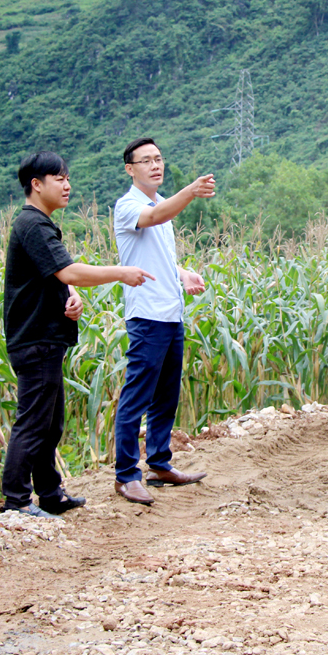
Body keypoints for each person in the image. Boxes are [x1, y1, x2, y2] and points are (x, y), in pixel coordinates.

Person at [1, 151, 154, 518]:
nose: (67, 186)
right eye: (59, 179)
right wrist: (120, 272)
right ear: (36, 185)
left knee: (49, 423)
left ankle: (50, 494)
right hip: (35, 339)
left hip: (46, 337)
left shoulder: (41, 224)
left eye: (68, 177)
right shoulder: (32, 225)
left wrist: (71, 296)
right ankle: (16, 500)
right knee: (34, 420)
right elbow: (68, 270)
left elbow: (58, 278)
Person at [111, 138, 215, 505]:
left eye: (159, 159)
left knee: (166, 396)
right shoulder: (130, 206)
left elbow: (157, 256)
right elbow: (154, 219)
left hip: (171, 315)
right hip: (147, 317)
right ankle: (126, 475)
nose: (155, 165)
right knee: (136, 397)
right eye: (146, 161)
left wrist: (182, 273)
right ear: (130, 168)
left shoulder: (159, 205)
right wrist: (190, 191)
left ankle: (159, 463)